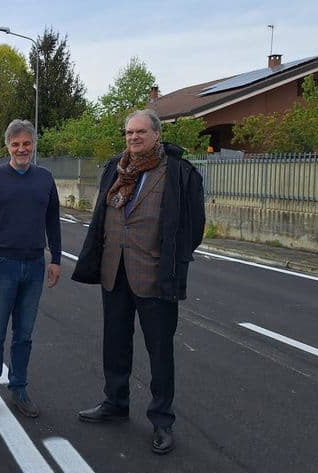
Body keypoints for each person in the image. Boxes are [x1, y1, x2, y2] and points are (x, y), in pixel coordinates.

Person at [72, 109, 205, 454]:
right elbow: (104, 217)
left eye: (140, 132)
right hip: (114, 272)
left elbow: (193, 228)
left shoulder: (179, 173)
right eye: (129, 132)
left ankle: (162, 420)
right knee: (115, 344)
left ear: (157, 135)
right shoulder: (116, 169)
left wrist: (167, 261)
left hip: (156, 278)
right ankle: (115, 403)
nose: (133, 138)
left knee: (159, 352)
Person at [0, 119, 62, 421]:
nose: (21, 149)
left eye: (26, 143)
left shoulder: (45, 179)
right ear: (7, 146)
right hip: (1, 265)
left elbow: (52, 221)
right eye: (16, 144)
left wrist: (56, 260)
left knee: (24, 333)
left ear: (33, 145)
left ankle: (19, 389)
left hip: (35, 265)